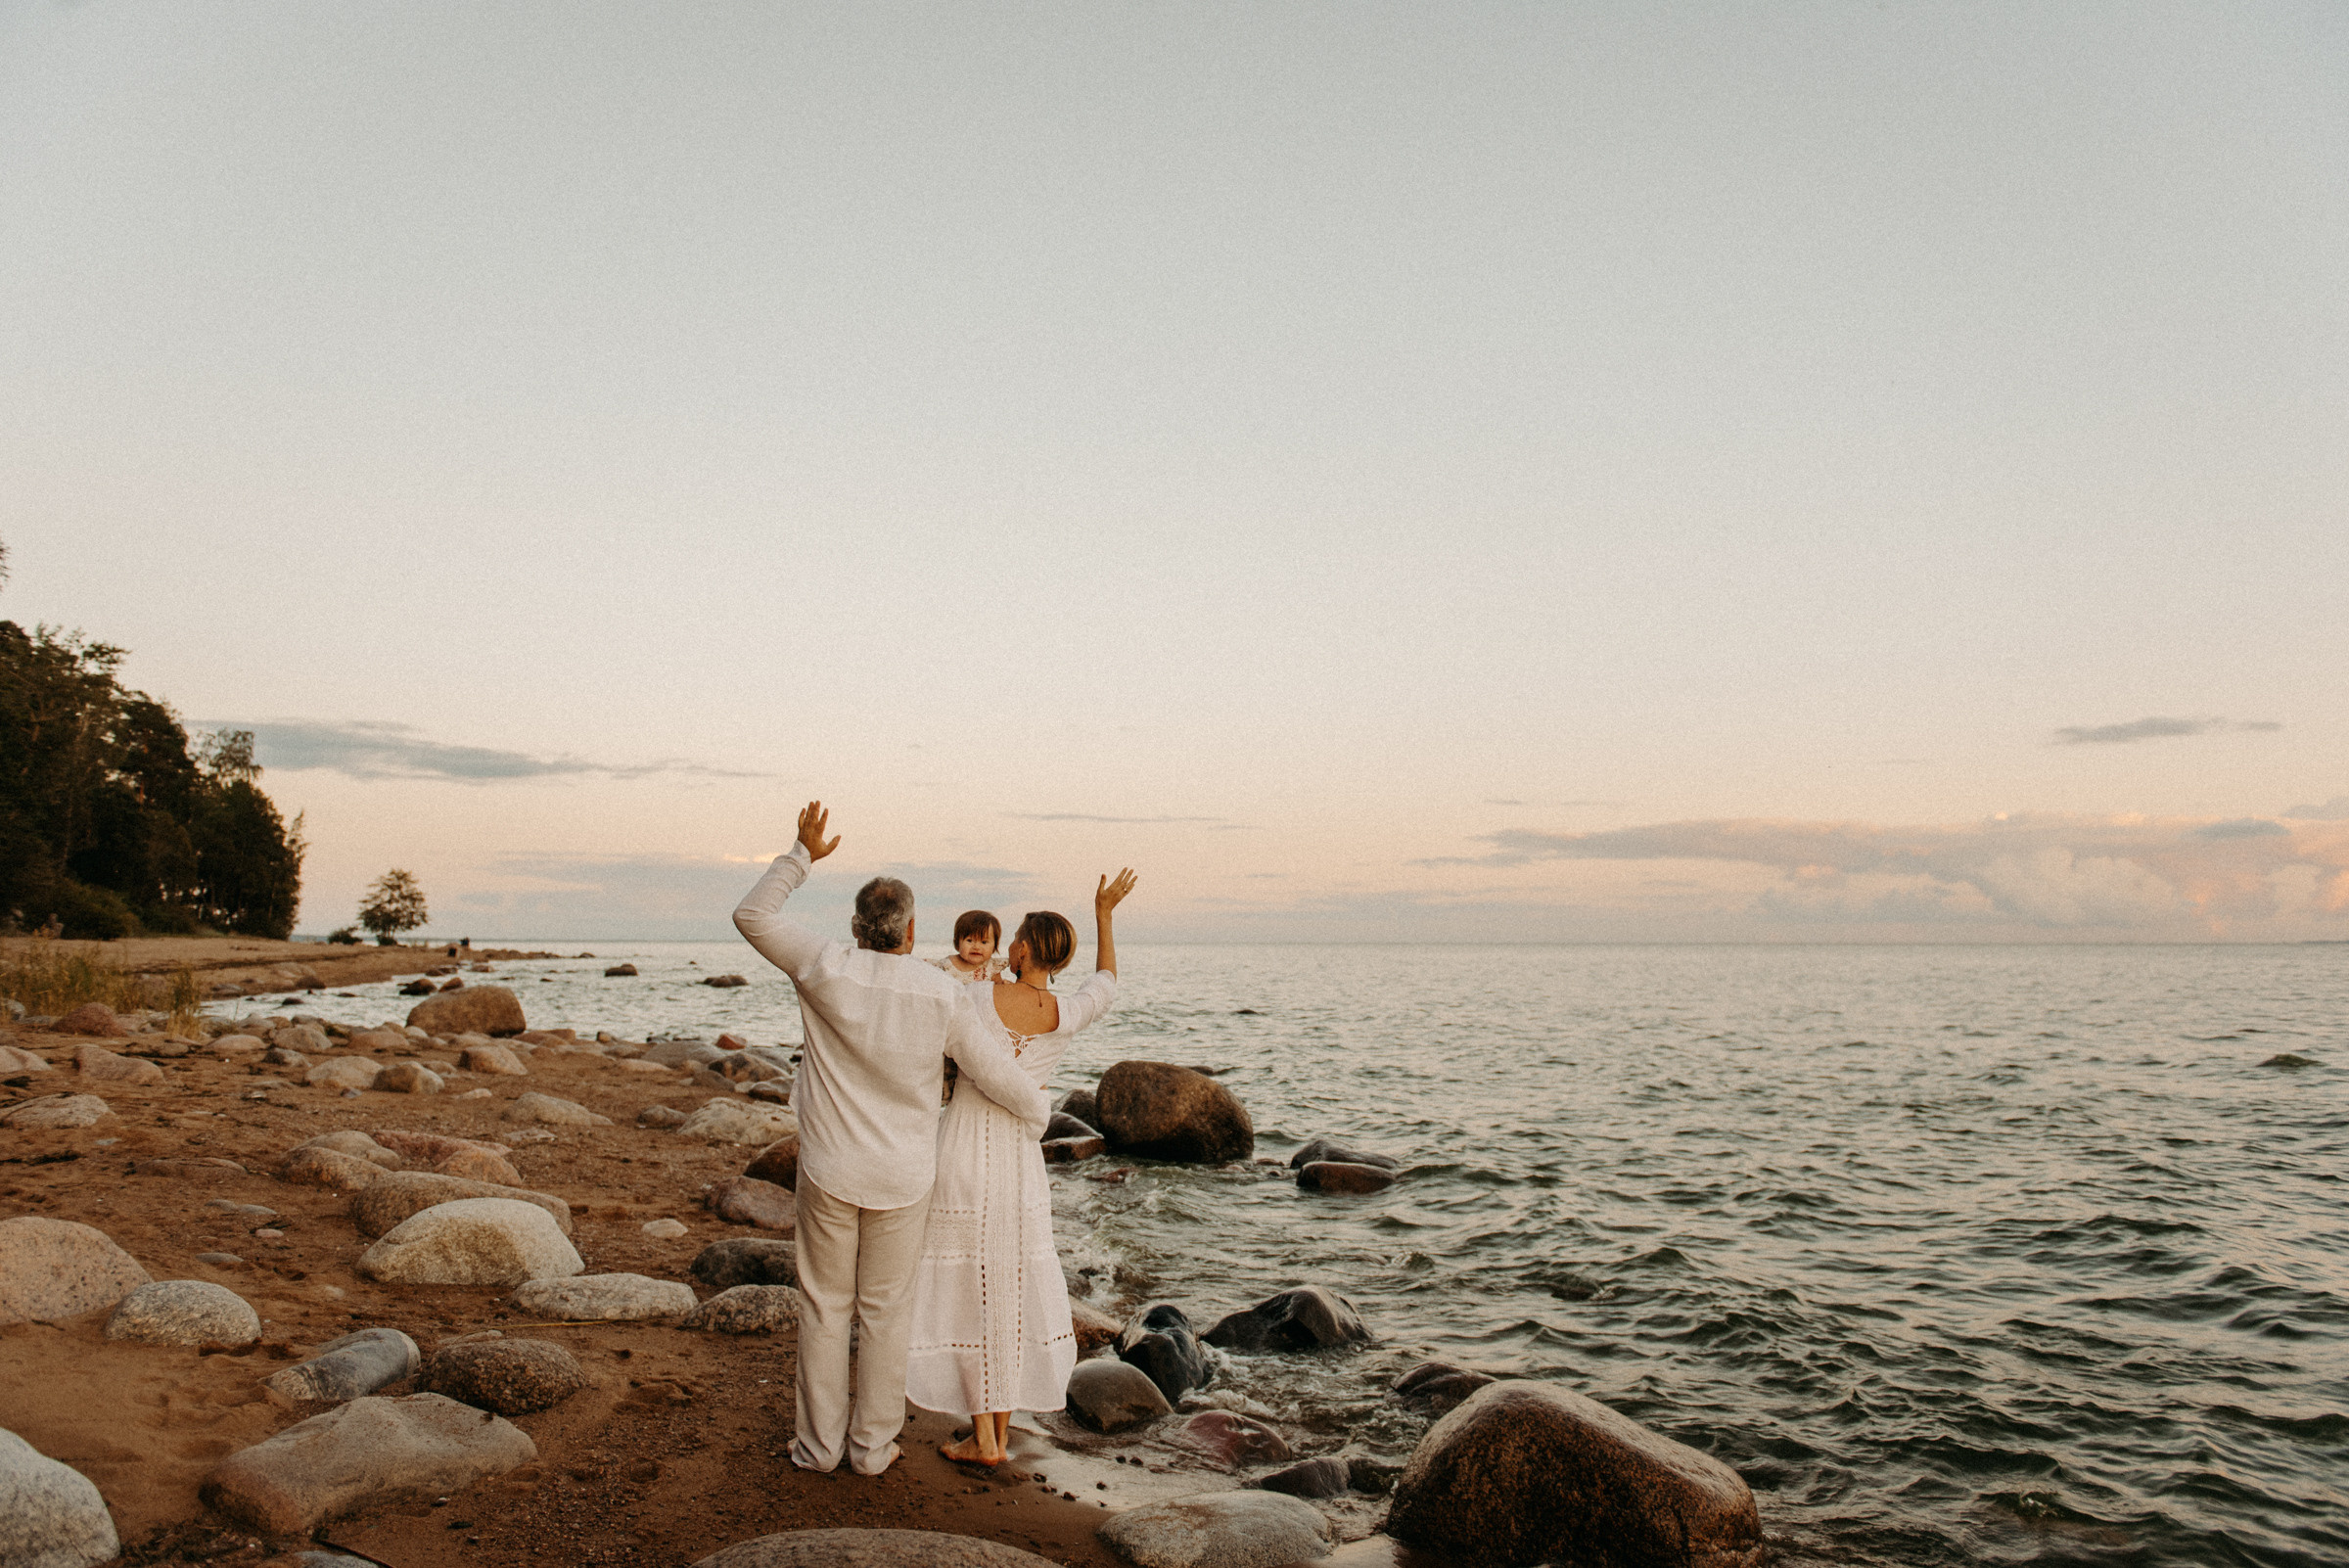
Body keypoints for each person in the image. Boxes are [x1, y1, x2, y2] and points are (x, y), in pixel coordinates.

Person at [731, 801, 1052, 1477]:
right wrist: (1038, 1112)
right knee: (885, 1312)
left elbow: (752, 915)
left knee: (824, 1307)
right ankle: (872, 1450)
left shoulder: (824, 964)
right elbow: (995, 1073)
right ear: (910, 934)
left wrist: (801, 854)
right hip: (904, 1177)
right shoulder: (941, 994)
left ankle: (818, 1449)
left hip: (830, 1168)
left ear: (859, 928)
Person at [905, 867, 1138, 1465]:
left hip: (963, 1145)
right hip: (1018, 1157)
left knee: (969, 1286)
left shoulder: (976, 995)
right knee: (1008, 1285)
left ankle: (984, 1437)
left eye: (1014, 942)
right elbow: (1108, 982)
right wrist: (1105, 913)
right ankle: (997, 1436)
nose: (1005, 947)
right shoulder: (1066, 1013)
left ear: (1027, 948)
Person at [934, 909, 1007, 983]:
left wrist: (1004, 985)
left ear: (994, 947)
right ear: (957, 944)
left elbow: (998, 991)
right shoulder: (947, 965)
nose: (976, 947)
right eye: (969, 940)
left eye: (984, 942)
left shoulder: (992, 968)